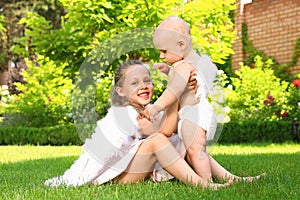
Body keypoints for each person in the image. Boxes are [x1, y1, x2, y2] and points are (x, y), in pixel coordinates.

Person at [44, 60, 232, 189]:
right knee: (157, 140)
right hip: (117, 175)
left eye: (147, 81)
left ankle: (230, 177)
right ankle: (203, 185)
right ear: (121, 91)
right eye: (134, 83)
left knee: (186, 139)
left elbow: (174, 128)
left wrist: (182, 92)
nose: (143, 86)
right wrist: (174, 92)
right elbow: (163, 132)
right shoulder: (124, 114)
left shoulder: (149, 108)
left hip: (133, 165)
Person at [145, 16, 266, 183]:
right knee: (196, 149)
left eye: (164, 51)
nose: (161, 56)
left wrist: (156, 107)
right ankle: (228, 179)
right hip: (192, 113)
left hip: (193, 114)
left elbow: (173, 91)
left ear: (181, 45)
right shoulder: (180, 66)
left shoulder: (183, 66)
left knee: (195, 150)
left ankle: (206, 182)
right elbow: (179, 82)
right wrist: (167, 71)